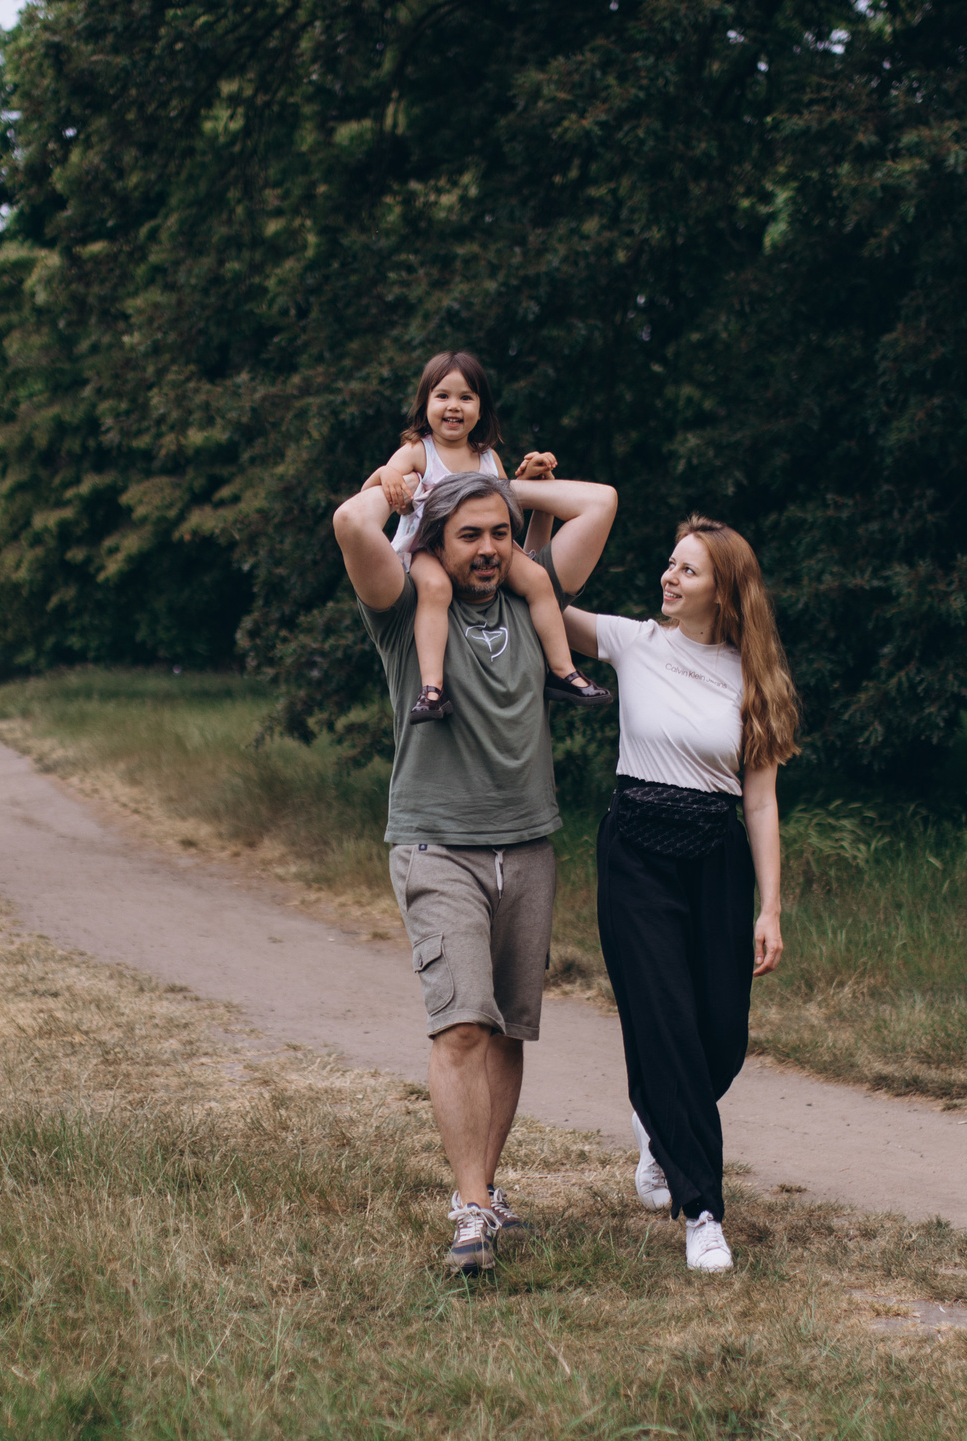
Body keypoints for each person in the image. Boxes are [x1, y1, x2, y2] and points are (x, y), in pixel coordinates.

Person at [332, 459, 620, 1274]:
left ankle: (484, 1192)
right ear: (435, 541)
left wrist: (508, 491)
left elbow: (599, 501)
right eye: (469, 534)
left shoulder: (535, 596)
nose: (489, 547)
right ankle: (468, 1210)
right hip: (436, 843)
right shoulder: (403, 609)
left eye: (500, 533)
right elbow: (351, 526)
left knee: (505, 1027)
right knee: (462, 1020)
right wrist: (402, 482)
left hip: (528, 843)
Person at [561, 516, 800, 1273]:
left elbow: (760, 801)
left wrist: (770, 907)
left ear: (723, 590)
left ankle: (656, 1116)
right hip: (636, 851)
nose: (668, 576)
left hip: (716, 858)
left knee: (720, 1035)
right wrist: (524, 500)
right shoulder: (634, 642)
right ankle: (703, 1212)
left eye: (687, 569)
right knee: (665, 1020)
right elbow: (539, 594)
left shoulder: (754, 678)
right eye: (670, 564)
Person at [365, 351, 611, 724]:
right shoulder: (417, 451)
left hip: (481, 547)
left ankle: (563, 670)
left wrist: (529, 478)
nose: (454, 406)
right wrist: (385, 473)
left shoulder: (486, 457)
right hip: (427, 547)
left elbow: (503, 511)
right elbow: (367, 497)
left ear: (481, 410)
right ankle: (432, 688)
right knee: (435, 589)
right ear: (425, 405)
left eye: (466, 397)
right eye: (442, 396)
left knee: (538, 579)